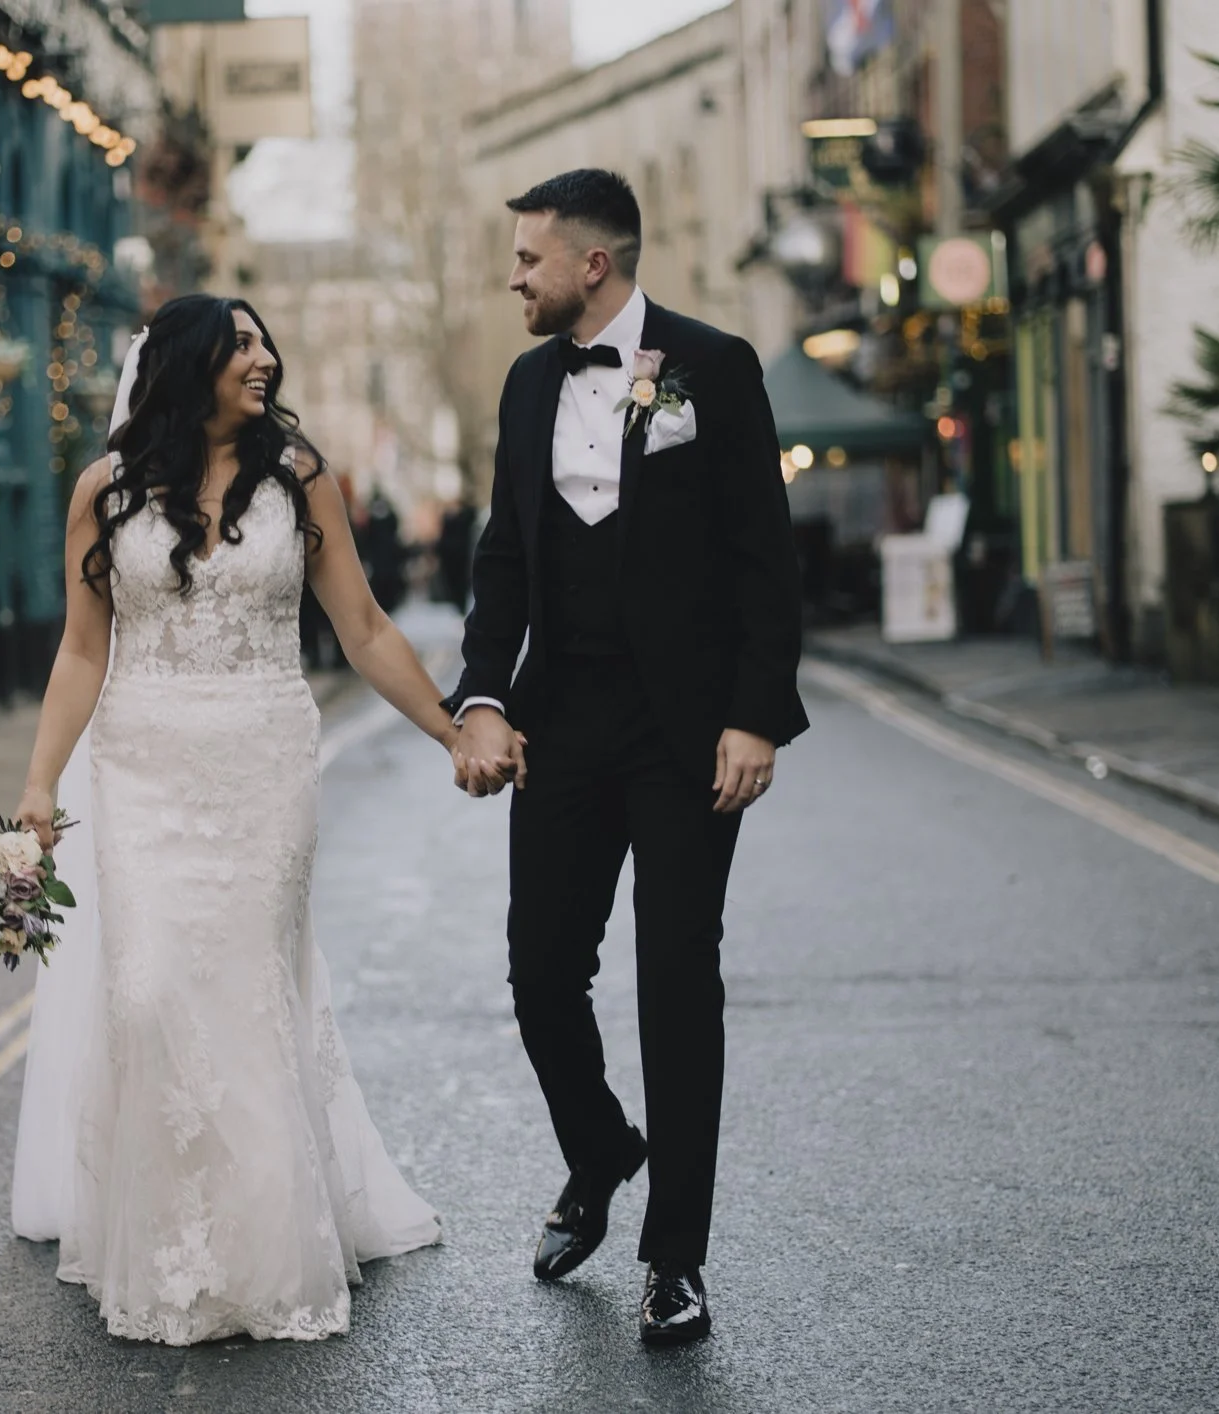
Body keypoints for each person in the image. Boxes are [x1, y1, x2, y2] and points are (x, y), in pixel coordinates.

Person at [7, 294, 502, 1345]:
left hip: (264, 762)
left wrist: (452, 727)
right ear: (191, 364)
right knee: (145, 994)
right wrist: (41, 785)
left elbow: (363, 628)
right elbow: (82, 650)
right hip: (139, 765)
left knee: (246, 992)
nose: (263, 357)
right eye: (240, 344)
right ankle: (171, 1246)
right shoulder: (104, 491)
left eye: (265, 338)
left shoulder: (299, 480)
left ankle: (263, 1251)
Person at [445, 170, 809, 1346]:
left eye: (527, 259)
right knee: (541, 970)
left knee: (674, 980)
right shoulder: (524, 382)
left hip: (687, 731)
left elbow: (765, 555)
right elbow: (506, 555)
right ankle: (601, 1146)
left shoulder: (717, 365)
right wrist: (485, 697)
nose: (514, 277)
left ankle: (676, 1259)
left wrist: (755, 714)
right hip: (563, 720)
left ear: (590, 264)